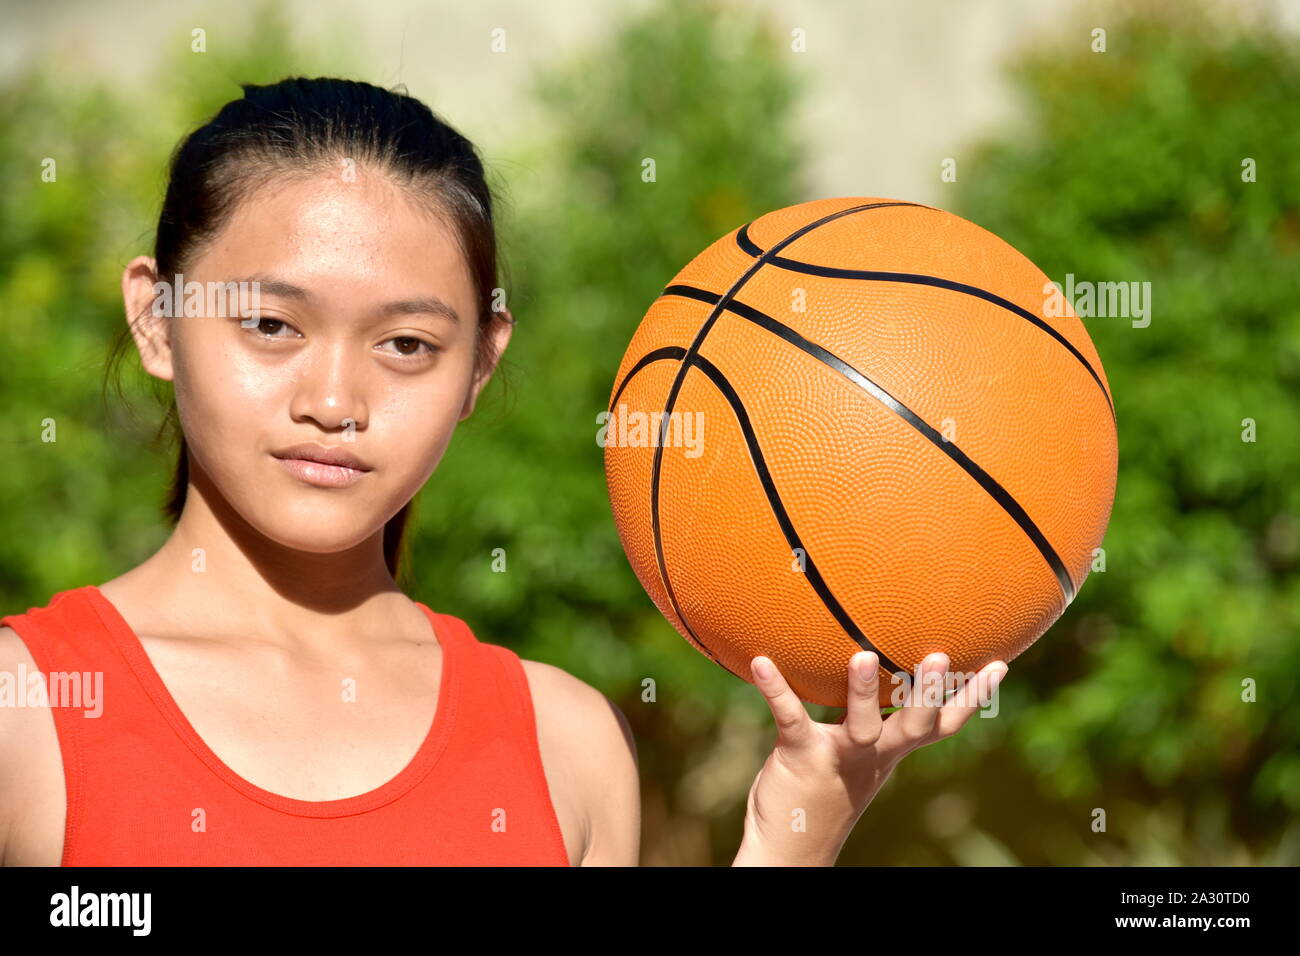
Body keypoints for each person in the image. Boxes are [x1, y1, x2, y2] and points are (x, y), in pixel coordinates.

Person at [0, 76, 1007, 867]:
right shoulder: (29, 710)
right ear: (157, 317)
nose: (335, 399)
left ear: (480, 362)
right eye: (271, 325)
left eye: (405, 345)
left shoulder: (563, 742)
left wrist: (796, 830)